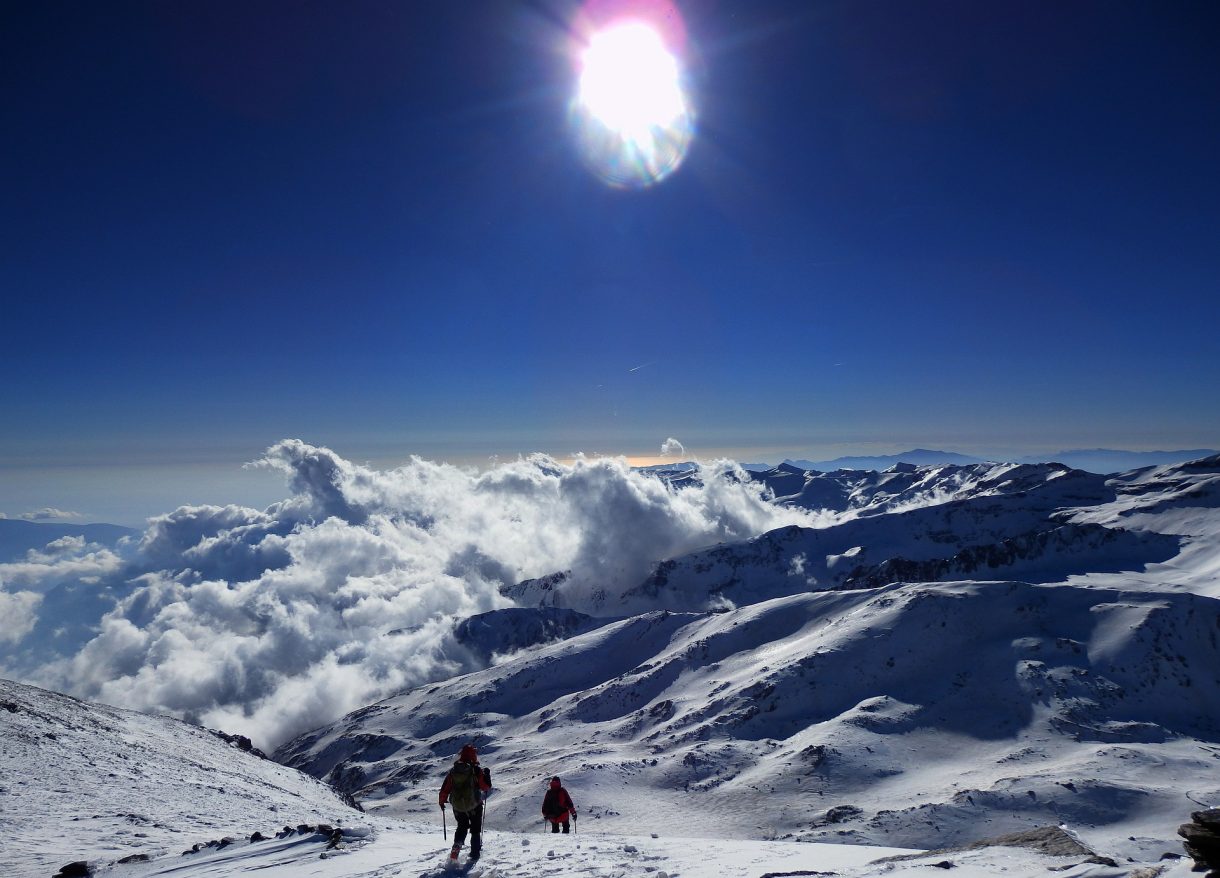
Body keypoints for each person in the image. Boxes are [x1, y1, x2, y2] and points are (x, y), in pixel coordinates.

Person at [439, 744, 492, 860]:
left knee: (462, 826)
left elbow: (445, 788)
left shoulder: (453, 771)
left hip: (458, 806)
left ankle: (457, 845)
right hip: (474, 805)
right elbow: (485, 787)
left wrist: (442, 802)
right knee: (475, 830)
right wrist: (487, 775)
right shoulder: (476, 770)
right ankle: (474, 854)